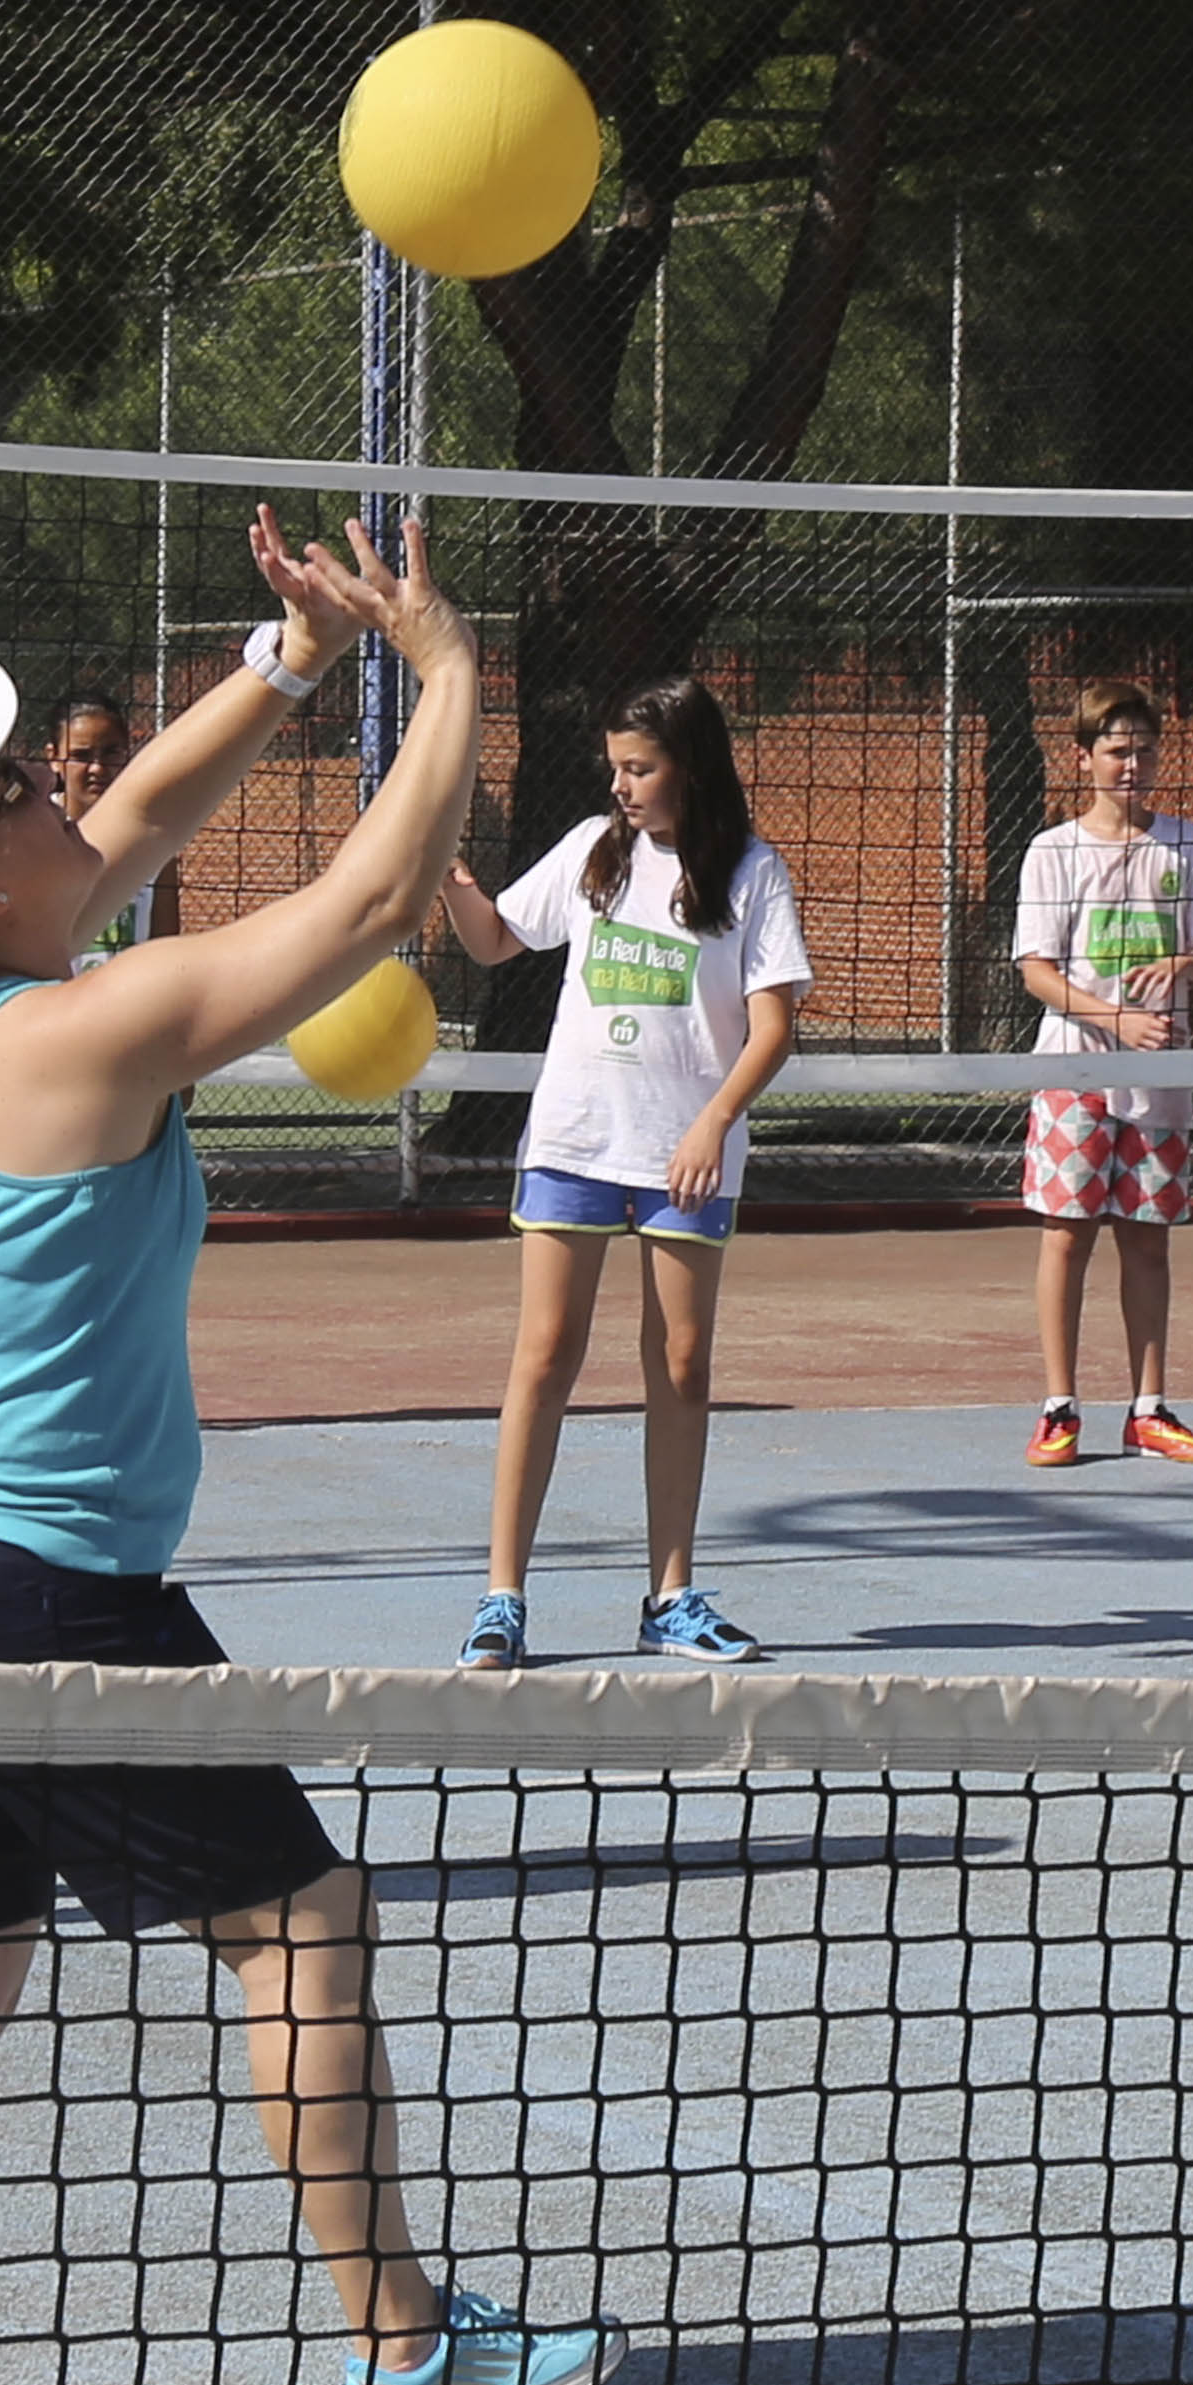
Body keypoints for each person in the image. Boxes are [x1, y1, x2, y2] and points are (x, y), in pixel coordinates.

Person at [0, 503, 617, 2385]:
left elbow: (141, 827)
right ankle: (403, 2349)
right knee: (303, 1929)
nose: (50, 793)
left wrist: (288, 663)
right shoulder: (73, 1039)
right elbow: (365, 915)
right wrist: (447, 673)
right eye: (10, 792)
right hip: (39, 1588)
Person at [432, 676, 810, 1668]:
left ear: (690, 765)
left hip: (688, 1156)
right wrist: (442, 869)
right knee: (545, 1356)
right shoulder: (595, 854)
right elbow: (493, 939)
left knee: (681, 1367)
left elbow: (773, 1028)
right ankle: (501, 1597)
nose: (623, 785)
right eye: (615, 767)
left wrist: (713, 1122)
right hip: (576, 1140)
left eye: (639, 768)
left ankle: (671, 1596)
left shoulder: (751, 873)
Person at [1007, 680, 1193, 1468]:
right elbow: (1036, 971)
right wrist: (1112, 1020)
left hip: (1160, 1078)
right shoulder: (1054, 852)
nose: (1132, 765)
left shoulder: (1187, 843)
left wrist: (1180, 965)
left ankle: (1148, 1410)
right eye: (1116, 751)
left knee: (1148, 1241)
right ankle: (1058, 1407)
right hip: (1076, 1072)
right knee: (1065, 1236)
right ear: (1084, 758)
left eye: (1144, 750)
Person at [43, 693, 150, 957]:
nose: (98, 769)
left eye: (111, 752)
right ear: (54, 757)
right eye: (81, 755)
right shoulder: (33, 833)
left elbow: (164, 946)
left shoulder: (152, 833)